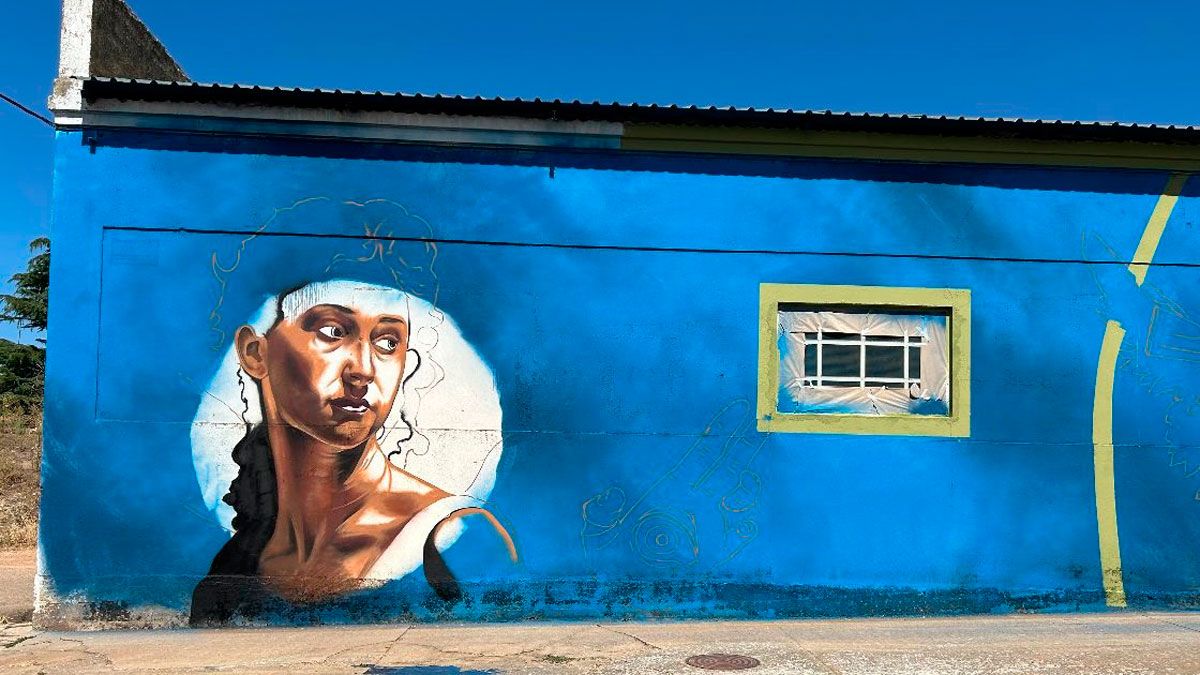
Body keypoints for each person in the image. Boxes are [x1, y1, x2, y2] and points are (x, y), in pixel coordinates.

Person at [190, 281, 516, 625]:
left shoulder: (452, 534)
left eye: (388, 343)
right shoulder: (232, 570)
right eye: (332, 332)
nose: (363, 370)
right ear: (256, 353)